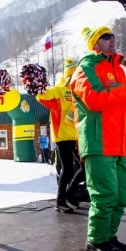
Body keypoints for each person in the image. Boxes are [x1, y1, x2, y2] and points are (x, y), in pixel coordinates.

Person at [71, 26, 126, 251]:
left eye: (113, 35)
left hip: (121, 142)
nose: (112, 39)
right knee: (104, 196)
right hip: (98, 141)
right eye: (106, 36)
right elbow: (94, 100)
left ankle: (108, 235)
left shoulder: (120, 70)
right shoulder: (85, 68)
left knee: (122, 194)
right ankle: (96, 240)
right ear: (95, 42)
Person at [36, 58, 85, 213]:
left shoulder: (78, 91)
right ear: (70, 74)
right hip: (62, 136)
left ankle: (69, 193)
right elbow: (42, 95)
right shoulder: (59, 91)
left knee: (86, 167)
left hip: (76, 136)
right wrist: (36, 85)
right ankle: (60, 200)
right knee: (67, 169)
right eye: (76, 73)